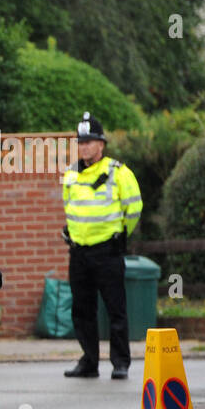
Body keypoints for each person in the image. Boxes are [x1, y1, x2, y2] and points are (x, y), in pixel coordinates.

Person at [61, 112, 142, 379]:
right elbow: (70, 208)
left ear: (101, 144)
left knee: (115, 308)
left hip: (108, 251)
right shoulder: (70, 174)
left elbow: (134, 208)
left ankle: (120, 363)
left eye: (89, 142)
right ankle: (89, 361)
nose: (84, 147)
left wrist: (120, 235)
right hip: (79, 252)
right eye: (80, 142)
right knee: (82, 310)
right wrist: (72, 232)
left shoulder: (118, 172)